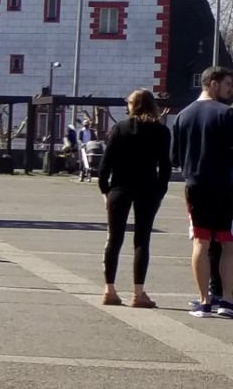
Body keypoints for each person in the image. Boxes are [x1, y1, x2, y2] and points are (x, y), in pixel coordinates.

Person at [170, 65, 233, 318]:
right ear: (213, 83)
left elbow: (175, 156)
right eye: (228, 85)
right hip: (226, 185)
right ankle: (227, 300)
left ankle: (204, 300)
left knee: (200, 241)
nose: (231, 91)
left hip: (195, 185)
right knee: (228, 244)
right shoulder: (227, 115)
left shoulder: (182, 116)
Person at [97, 89, 170, 308]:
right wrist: (160, 191)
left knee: (114, 238)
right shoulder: (161, 131)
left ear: (132, 105)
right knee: (142, 240)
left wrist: (105, 191)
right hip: (148, 189)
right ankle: (138, 293)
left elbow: (105, 165)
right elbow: (165, 166)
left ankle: (109, 289)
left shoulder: (119, 129)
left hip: (119, 188)